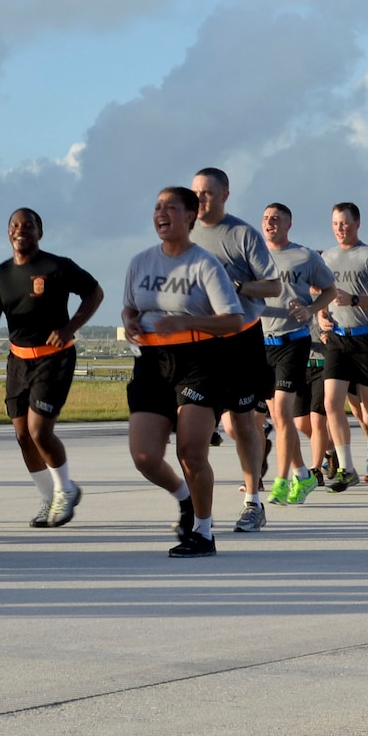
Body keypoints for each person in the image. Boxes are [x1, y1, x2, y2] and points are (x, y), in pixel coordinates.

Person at [122, 186, 246, 555]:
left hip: (200, 361)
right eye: (157, 207)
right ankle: (184, 498)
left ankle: (204, 532)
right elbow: (130, 308)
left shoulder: (204, 264)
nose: (161, 213)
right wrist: (129, 322)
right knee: (144, 456)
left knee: (191, 452)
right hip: (151, 363)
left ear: (191, 215)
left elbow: (233, 320)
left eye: (171, 207)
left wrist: (185, 324)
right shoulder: (140, 262)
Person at [0, 207, 105, 528]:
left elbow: (95, 292)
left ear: (39, 232)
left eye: (29, 225)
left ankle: (66, 489)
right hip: (18, 360)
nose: (21, 230)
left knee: (39, 431)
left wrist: (71, 327)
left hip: (54, 357)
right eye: (15, 225)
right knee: (23, 435)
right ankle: (48, 497)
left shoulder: (56, 266)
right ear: (8, 233)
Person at [188, 169, 283, 530]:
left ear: (225, 195)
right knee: (193, 423)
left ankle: (253, 501)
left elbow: (273, 287)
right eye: (195, 193)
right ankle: (194, 511)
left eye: (207, 193)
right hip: (198, 342)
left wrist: (238, 285)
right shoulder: (185, 233)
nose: (200, 200)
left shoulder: (242, 234)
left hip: (241, 337)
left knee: (243, 422)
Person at [319, 202, 368, 492]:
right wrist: (321, 314)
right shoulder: (327, 257)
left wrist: (354, 299)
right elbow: (324, 294)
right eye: (336, 224)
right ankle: (345, 467)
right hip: (339, 338)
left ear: (357, 224)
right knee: (331, 403)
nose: (340, 229)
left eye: (345, 223)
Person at [260, 203, 336, 506]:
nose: (269, 223)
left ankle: (281, 481)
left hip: (294, 340)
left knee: (282, 412)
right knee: (279, 420)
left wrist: (312, 310)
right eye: (265, 218)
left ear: (288, 225)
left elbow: (330, 290)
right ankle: (302, 472)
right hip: (261, 341)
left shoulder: (305, 256)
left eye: (275, 219)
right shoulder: (255, 257)